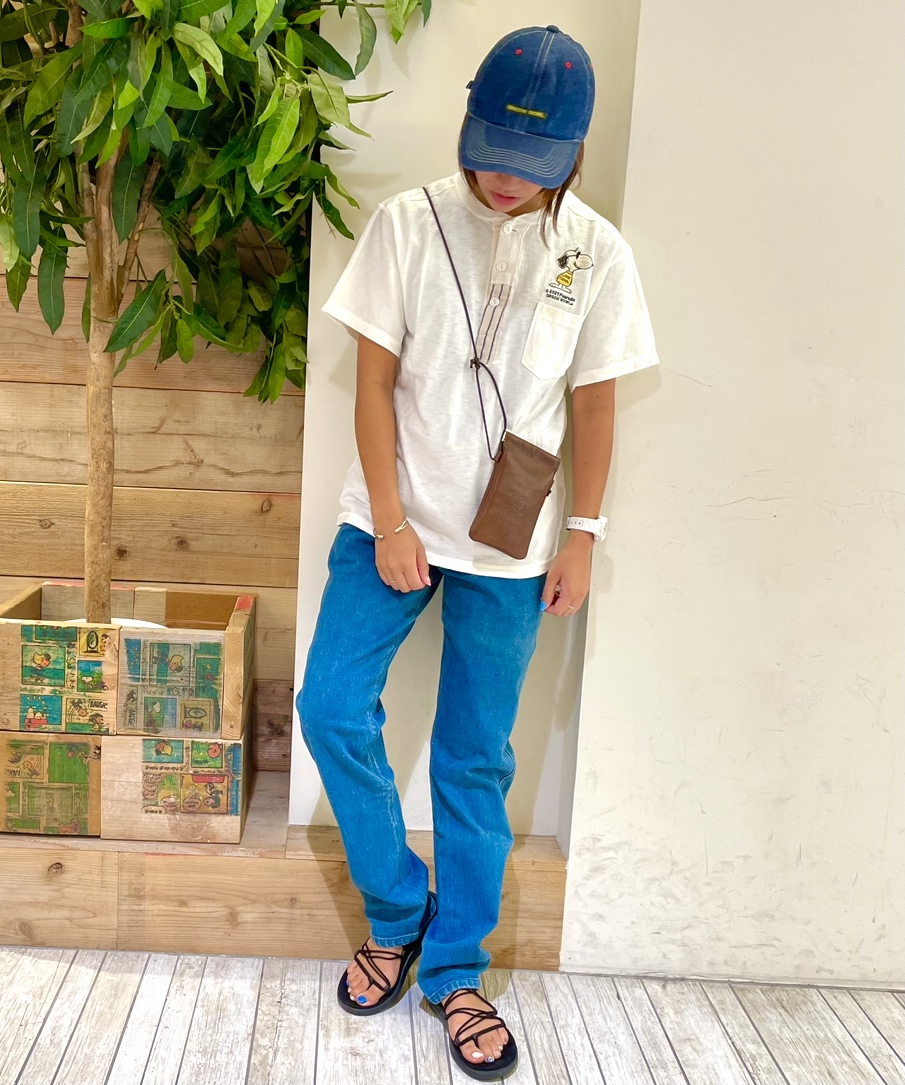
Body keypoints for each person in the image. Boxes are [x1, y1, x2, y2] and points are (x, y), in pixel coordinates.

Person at [296, 24, 659, 1081]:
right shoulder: (407, 224)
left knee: (473, 756)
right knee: (330, 706)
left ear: (572, 153)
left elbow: (593, 408)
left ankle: (456, 967)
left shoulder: (595, 253)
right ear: (466, 125)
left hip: (512, 548)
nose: (504, 177)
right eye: (491, 149)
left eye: (531, 161)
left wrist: (583, 535)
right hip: (388, 522)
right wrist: (392, 521)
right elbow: (371, 384)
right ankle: (396, 908)